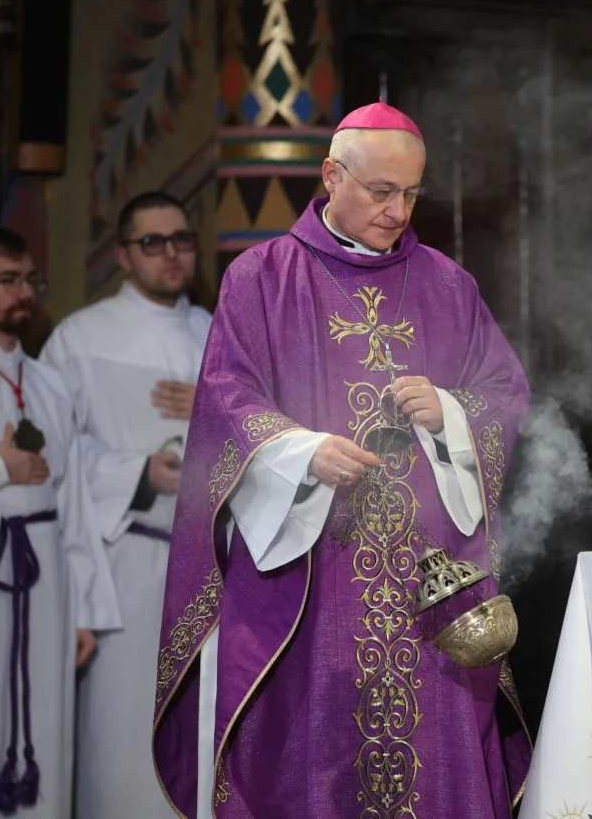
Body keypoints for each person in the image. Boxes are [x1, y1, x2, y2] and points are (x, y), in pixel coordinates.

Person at [152, 102, 532, 818]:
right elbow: (228, 400)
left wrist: (449, 410)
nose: (399, 211)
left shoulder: (448, 284)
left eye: (412, 193)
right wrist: (299, 452)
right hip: (312, 581)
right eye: (382, 191)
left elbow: (505, 393)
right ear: (331, 175)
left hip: (427, 583)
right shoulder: (261, 278)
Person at [39, 192, 212, 819]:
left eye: (181, 239)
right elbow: (53, 454)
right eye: (152, 242)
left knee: (203, 742)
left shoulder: (219, 333)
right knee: (122, 744)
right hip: (123, 565)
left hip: (212, 568)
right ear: (121, 255)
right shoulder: (80, 339)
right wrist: (139, 473)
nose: (171, 253)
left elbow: (275, 432)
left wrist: (215, 409)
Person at [0, 228, 120, 818]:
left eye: (30, 280)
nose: (23, 292)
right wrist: (1, 468)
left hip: (48, 587)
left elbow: (74, 505)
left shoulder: (48, 382)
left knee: (45, 715)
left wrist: (85, 609)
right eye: (6, 280)